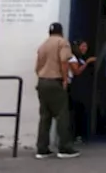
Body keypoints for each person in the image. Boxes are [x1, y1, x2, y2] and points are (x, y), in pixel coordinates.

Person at [34, 22, 80, 159]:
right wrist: (65, 79)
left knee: (44, 117)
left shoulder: (43, 45)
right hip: (55, 82)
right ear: (61, 32)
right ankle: (65, 148)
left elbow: (37, 67)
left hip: (42, 82)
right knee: (62, 116)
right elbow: (64, 61)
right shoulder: (62, 43)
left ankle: (42, 149)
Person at [68, 40, 97, 145]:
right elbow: (77, 71)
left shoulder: (80, 58)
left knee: (81, 111)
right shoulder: (72, 58)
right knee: (75, 112)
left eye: (86, 46)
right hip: (75, 89)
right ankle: (74, 135)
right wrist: (88, 62)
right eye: (83, 46)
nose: (85, 48)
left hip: (81, 89)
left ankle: (79, 135)